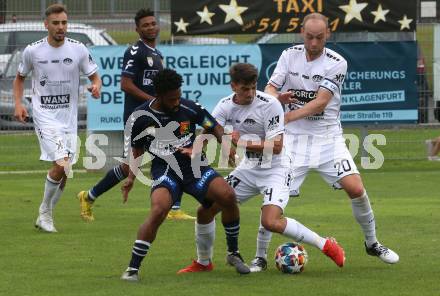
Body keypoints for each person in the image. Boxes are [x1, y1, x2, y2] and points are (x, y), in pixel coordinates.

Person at [255, 12, 399, 270]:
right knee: (274, 197)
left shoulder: (336, 62)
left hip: (327, 139)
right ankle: (260, 256)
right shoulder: (289, 55)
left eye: (319, 38)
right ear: (302, 33)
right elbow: (270, 89)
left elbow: (320, 103)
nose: (313, 43)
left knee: (356, 188)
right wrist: (274, 100)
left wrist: (283, 118)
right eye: (309, 37)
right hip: (294, 142)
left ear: (328, 34)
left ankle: (372, 243)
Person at [179, 63, 345, 274]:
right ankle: (204, 263)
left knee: (270, 221)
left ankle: (326, 245)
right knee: (205, 211)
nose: (249, 93)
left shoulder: (270, 104)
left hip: (277, 169)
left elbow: (276, 147)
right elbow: (212, 130)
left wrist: (239, 143)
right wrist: (195, 147)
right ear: (233, 87)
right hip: (248, 169)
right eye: (244, 89)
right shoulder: (224, 105)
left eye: (253, 87)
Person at [120, 69, 249, 281]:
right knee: (159, 210)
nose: (177, 102)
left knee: (228, 196)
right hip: (165, 169)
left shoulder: (189, 107)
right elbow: (137, 151)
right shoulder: (141, 117)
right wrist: (131, 178)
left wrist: (225, 145)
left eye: (179, 96)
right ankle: (133, 268)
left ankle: (233, 253)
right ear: (159, 95)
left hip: (195, 167)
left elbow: (213, 125)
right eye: (172, 99)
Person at [77, 8, 195, 222]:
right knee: (131, 165)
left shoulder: (156, 54)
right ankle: (88, 196)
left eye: (153, 23)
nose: (150, 27)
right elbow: (125, 84)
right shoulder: (135, 51)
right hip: (138, 118)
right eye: (145, 25)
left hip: (155, 117)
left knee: (173, 151)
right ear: (137, 29)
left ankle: (173, 207)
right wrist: (151, 103)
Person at [13, 4, 101, 232]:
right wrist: (19, 104)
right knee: (62, 162)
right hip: (44, 115)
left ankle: (45, 214)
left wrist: (95, 86)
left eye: (64, 22)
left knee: (65, 168)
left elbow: (94, 76)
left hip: (68, 118)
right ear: (46, 25)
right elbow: (19, 78)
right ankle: (45, 212)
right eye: (56, 23)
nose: (61, 27)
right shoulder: (33, 51)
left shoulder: (78, 49)